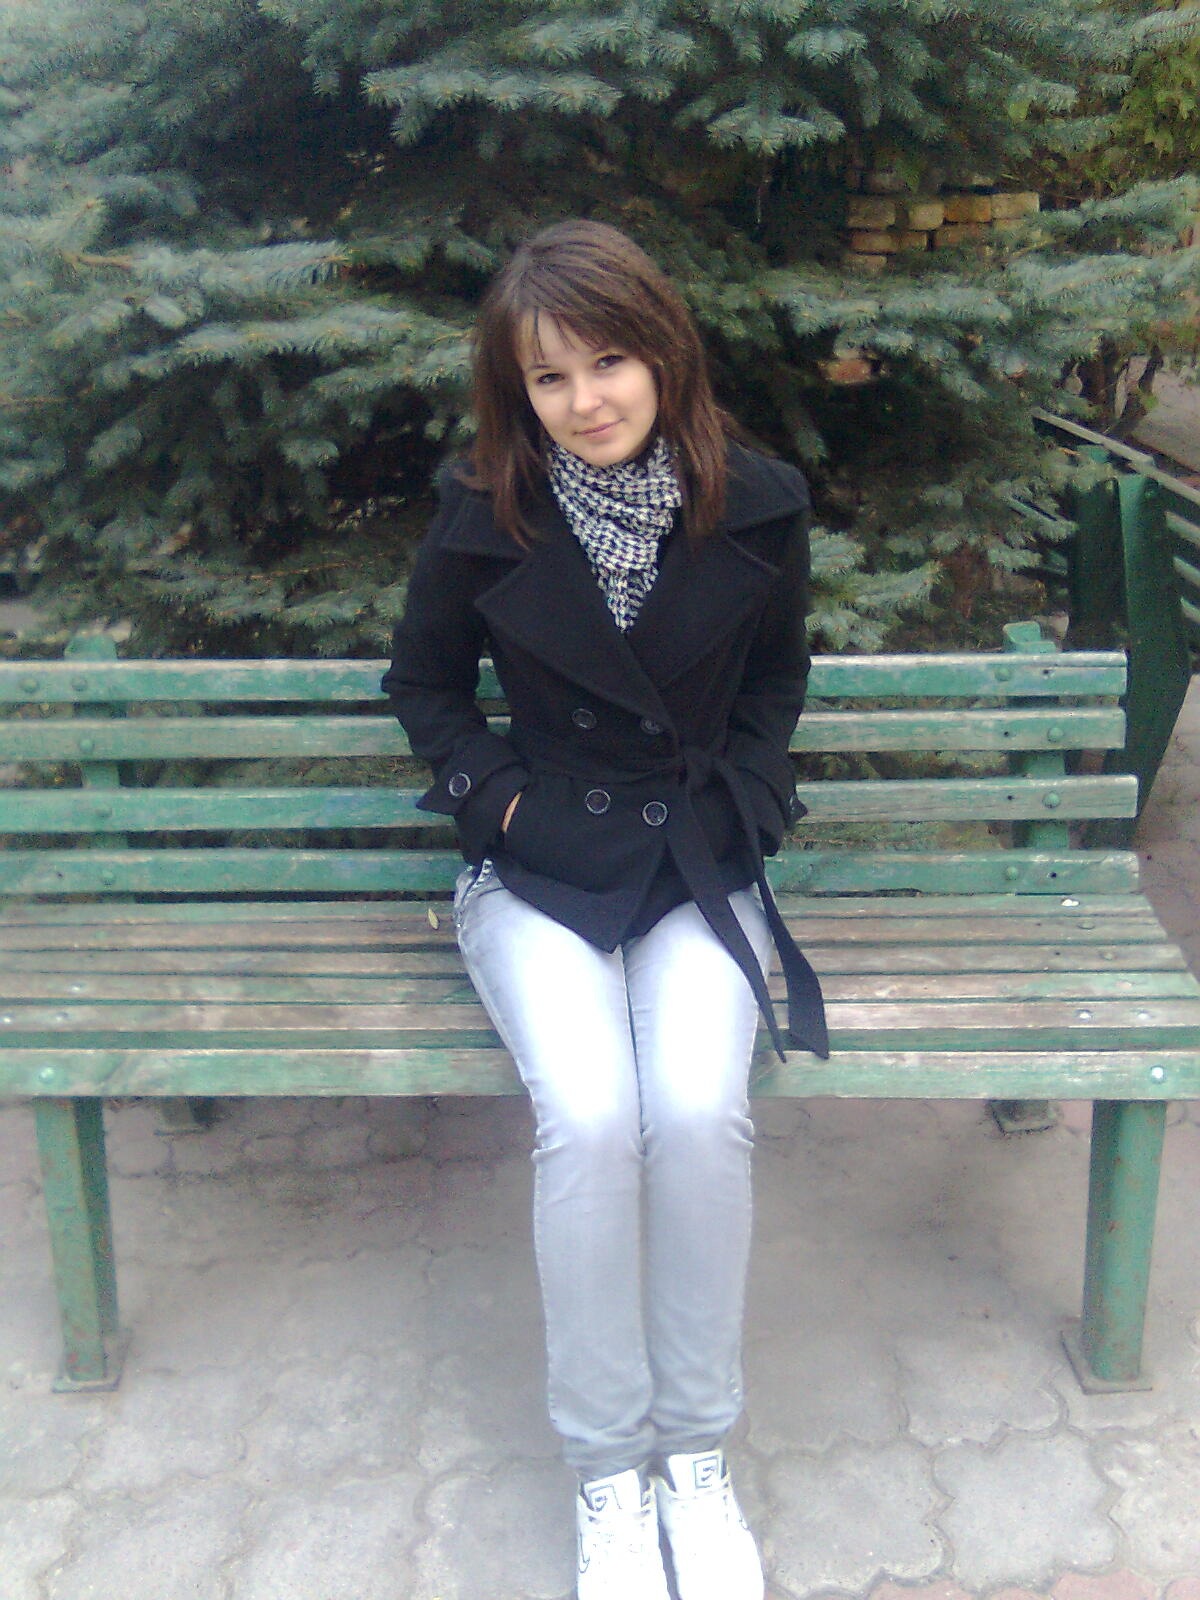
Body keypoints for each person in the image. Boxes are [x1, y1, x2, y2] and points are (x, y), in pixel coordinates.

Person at [382, 218, 828, 1600]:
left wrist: (745, 808)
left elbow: (774, 688)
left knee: (693, 1111)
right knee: (588, 1115)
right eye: (550, 377)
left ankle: (693, 1457)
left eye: (610, 361)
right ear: (516, 391)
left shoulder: (758, 503)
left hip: (693, 861)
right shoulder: (484, 515)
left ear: (664, 353)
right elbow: (425, 688)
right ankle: (606, 1476)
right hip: (540, 870)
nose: (586, 401)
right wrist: (508, 809)